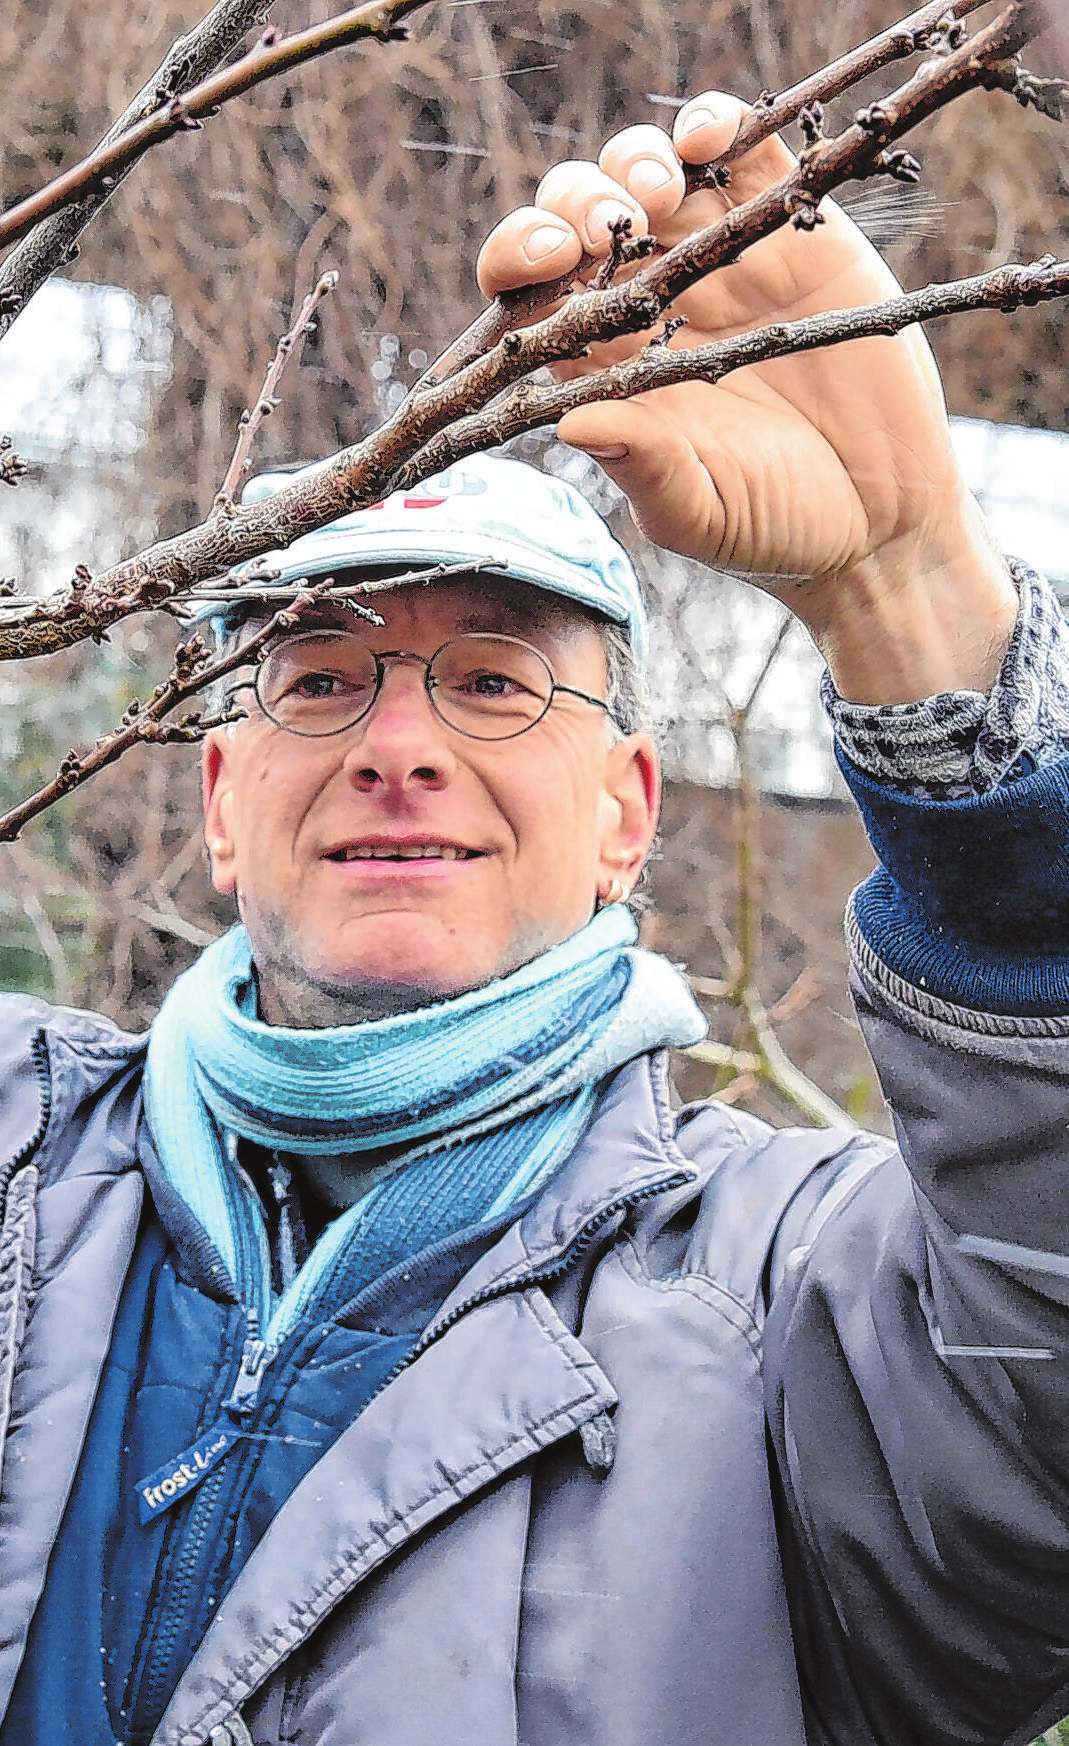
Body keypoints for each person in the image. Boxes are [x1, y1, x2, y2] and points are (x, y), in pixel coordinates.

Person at [1, 90, 1068, 1746]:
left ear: (627, 816)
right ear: (219, 801)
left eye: (494, 682)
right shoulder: (20, 1167)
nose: (399, 743)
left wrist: (909, 581)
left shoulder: (780, 1310)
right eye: (324, 677)